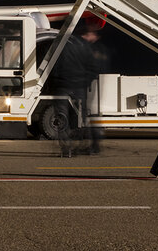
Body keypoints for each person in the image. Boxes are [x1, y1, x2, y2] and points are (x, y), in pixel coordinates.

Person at [45, 14, 110, 156]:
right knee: (80, 118)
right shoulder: (86, 47)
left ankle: (66, 149)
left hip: (62, 86)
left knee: (61, 118)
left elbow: (52, 67)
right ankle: (82, 145)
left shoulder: (60, 46)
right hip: (79, 88)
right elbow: (92, 68)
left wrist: (53, 83)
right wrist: (85, 82)